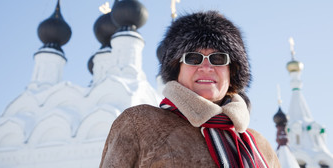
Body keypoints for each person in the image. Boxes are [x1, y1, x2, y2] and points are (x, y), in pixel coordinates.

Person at [99, 10, 280, 168]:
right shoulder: (140, 124)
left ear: (232, 71)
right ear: (176, 68)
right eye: (193, 58)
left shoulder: (259, 145)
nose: (206, 67)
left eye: (218, 59)